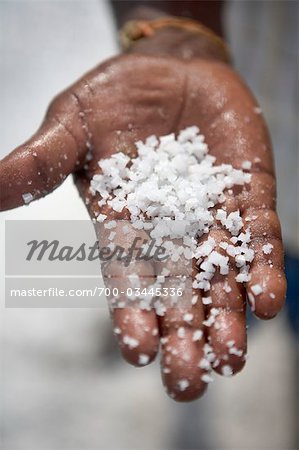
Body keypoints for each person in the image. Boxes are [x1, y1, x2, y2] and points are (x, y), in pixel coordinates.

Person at [0, 0, 287, 401]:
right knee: (229, 290)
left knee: (269, 294)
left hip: (261, 185)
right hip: (238, 81)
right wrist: (171, 28)